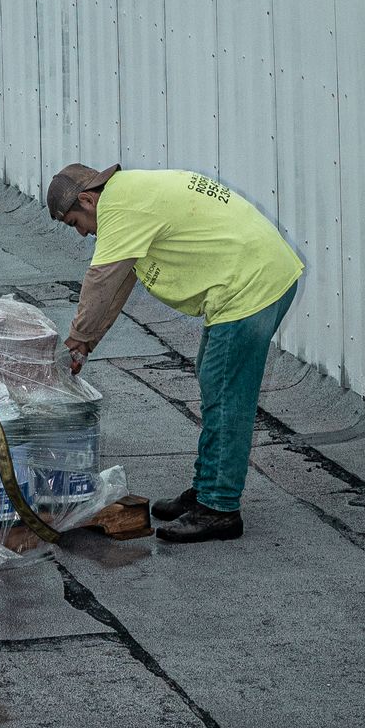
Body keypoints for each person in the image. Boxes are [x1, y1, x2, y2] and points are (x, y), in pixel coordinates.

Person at [47, 162, 302, 545]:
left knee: (226, 394)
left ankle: (220, 508)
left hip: (250, 285)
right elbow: (120, 282)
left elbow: (100, 281)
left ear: (87, 199)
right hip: (250, 276)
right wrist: (85, 343)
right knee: (214, 380)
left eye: (74, 222)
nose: (83, 232)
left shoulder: (119, 208)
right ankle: (206, 490)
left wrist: (75, 342)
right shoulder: (129, 196)